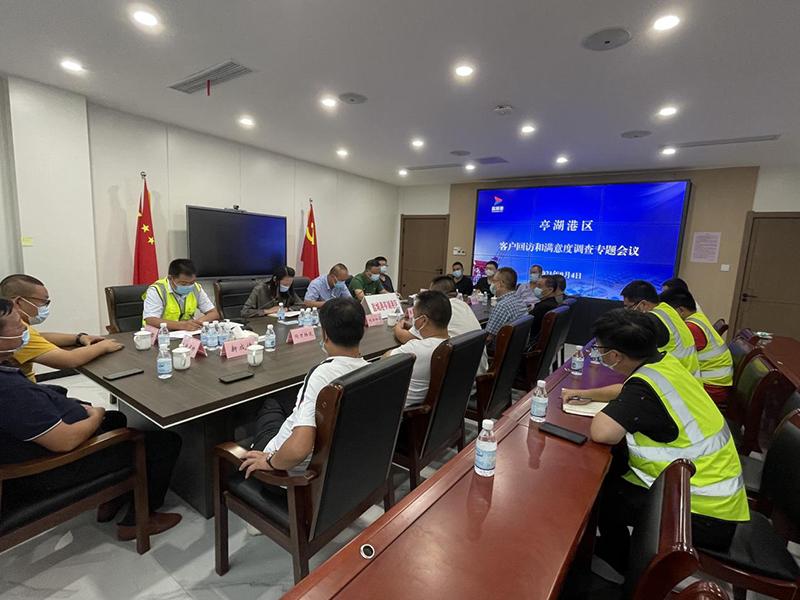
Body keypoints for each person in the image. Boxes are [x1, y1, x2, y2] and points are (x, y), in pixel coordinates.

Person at [565, 309, 747, 576]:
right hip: (713, 495)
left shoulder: (645, 386)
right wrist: (589, 394)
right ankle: (616, 551)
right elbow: (627, 390)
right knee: (613, 471)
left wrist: (609, 406)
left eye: (600, 350)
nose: (598, 355)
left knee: (599, 494)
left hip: (701, 511)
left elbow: (603, 432)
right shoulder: (664, 363)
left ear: (614, 356)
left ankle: (627, 569)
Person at [0, 299, 182, 540]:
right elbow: (65, 441)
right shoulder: (9, 390)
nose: (25, 329)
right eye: (18, 325)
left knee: (115, 418)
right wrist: (95, 415)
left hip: (37, 444)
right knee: (166, 442)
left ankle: (113, 496)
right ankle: (138, 521)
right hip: (53, 468)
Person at [240, 297, 369, 476]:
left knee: (270, 403)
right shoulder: (369, 369)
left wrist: (269, 461)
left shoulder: (322, 375)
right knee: (287, 396)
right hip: (342, 466)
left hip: (287, 471)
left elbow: (298, 450)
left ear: (325, 334)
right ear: (363, 329)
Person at [0, 274, 123, 383]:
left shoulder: (12, 326)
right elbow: (69, 360)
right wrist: (103, 346)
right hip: (25, 392)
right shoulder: (17, 329)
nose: (45, 307)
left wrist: (78, 338)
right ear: (19, 302)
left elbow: (39, 337)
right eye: (43, 302)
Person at [394, 276, 488, 375]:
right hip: (476, 373)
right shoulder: (463, 305)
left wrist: (397, 327)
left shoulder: (439, 310)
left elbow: (406, 337)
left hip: (457, 375)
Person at [659, 288, 734, 406]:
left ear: (681, 310)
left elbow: (672, 357)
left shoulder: (691, 328)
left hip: (711, 388)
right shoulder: (698, 318)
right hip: (717, 383)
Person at [620, 280, 700, 378]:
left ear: (643, 304)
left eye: (629, 307)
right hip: (688, 375)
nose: (628, 312)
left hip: (677, 378)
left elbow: (633, 351)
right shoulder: (666, 308)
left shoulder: (652, 320)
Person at [387, 290, 450, 406]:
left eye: (415, 317)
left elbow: (384, 361)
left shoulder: (416, 348)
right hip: (437, 408)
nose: (413, 320)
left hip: (402, 410)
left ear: (423, 320)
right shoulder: (452, 344)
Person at [142, 259, 220, 331]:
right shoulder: (157, 290)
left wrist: (197, 323)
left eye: (192, 282)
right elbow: (150, 320)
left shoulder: (196, 288)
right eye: (183, 284)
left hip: (185, 334)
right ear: (170, 278)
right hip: (161, 334)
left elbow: (214, 313)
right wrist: (182, 325)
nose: (188, 286)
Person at [484, 267, 527, 350]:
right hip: (516, 349)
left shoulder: (502, 306)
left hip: (499, 351)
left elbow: (488, 339)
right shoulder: (520, 300)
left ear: (501, 283)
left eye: (494, 281)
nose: (491, 284)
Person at [528, 274, 565, 342]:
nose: (535, 289)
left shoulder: (543, 307)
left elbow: (526, 325)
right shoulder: (553, 303)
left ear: (550, 290)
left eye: (539, 286)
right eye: (536, 286)